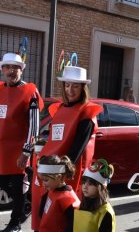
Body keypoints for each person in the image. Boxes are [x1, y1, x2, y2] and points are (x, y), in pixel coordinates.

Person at [0, 52, 44, 232]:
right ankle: (25, 205)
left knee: (16, 186)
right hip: (1, 149)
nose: (11, 71)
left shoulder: (30, 92)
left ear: (21, 70)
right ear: (2, 70)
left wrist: (27, 151)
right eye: (8, 67)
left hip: (20, 149)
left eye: (16, 67)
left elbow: (34, 125)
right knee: (0, 180)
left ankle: (15, 223)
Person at [40, 65, 102, 193]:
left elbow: (77, 149)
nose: (70, 90)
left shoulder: (86, 113)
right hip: (53, 170)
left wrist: (61, 172)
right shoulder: (60, 108)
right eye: (67, 85)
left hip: (67, 172)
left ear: (82, 88)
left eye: (75, 86)